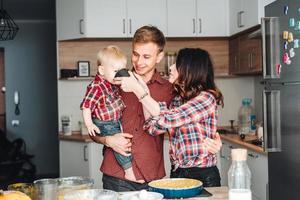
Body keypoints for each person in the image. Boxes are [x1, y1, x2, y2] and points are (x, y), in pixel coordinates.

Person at [90, 26, 222, 191]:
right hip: (117, 175)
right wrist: (107, 140)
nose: (139, 62)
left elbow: (181, 120)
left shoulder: (171, 90)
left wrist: (214, 141)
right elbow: (94, 124)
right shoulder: (113, 83)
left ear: (159, 56)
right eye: (135, 54)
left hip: (153, 178)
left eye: (146, 56)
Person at [117, 48, 224, 187]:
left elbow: (168, 118)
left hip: (202, 174)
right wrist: (144, 90)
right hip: (177, 172)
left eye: (176, 64)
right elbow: (152, 128)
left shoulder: (206, 98)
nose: (171, 68)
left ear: (189, 69)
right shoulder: (177, 100)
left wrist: (139, 91)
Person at [80, 45, 140, 183]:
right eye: (115, 71)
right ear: (102, 70)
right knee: (121, 145)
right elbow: (86, 106)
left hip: (113, 120)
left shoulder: (110, 82)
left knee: (115, 145)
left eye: (122, 70)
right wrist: (89, 124)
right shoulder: (97, 87)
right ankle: (129, 172)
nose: (119, 74)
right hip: (104, 122)